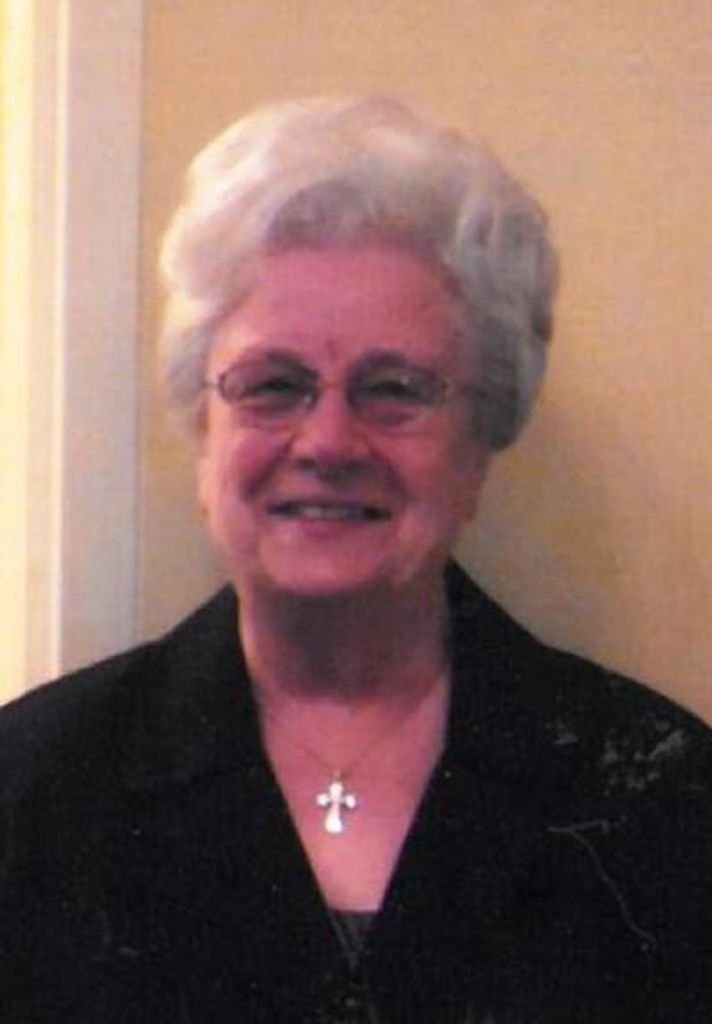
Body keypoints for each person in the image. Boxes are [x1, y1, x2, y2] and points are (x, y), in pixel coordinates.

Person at [1, 96, 710, 1023]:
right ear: (204, 428)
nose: (328, 441)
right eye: (273, 385)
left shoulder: (662, 793)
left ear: (481, 440)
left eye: (395, 389)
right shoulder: (34, 793)